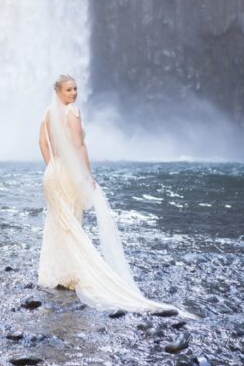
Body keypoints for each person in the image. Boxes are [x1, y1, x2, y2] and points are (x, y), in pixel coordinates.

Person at [37, 75, 194, 317]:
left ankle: (55, 275)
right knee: (73, 223)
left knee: (58, 223)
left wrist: (52, 167)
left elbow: (42, 143)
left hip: (52, 173)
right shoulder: (73, 112)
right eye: (69, 90)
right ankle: (72, 275)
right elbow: (79, 147)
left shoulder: (48, 113)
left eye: (76, 89)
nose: (74, 93)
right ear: (58, 91)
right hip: (68, 174)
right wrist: (87, 176)